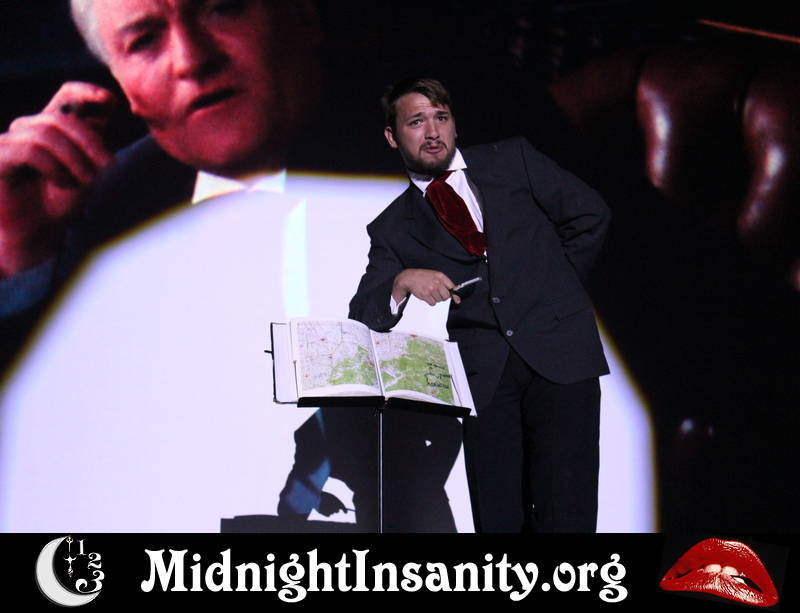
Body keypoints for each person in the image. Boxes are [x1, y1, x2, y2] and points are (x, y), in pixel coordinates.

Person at [349, 78, 611, 532]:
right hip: (486, 380)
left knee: (567, 513)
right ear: (392, 136)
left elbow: (590, 215)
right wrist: (403, 281)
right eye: (416, 121)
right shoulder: (392, 226)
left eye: (442, 117)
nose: (433, 132)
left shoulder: (512, 160)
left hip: (562, 358)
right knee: (499, 519)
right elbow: (364, 313)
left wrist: (552, 292)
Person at [0, 0, 321, 364]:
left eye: (222, 9)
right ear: (119, 80)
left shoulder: (378, 162)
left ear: (302, 15)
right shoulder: (104, 207)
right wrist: (21, 250)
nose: (191, 60)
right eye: (144, 41)